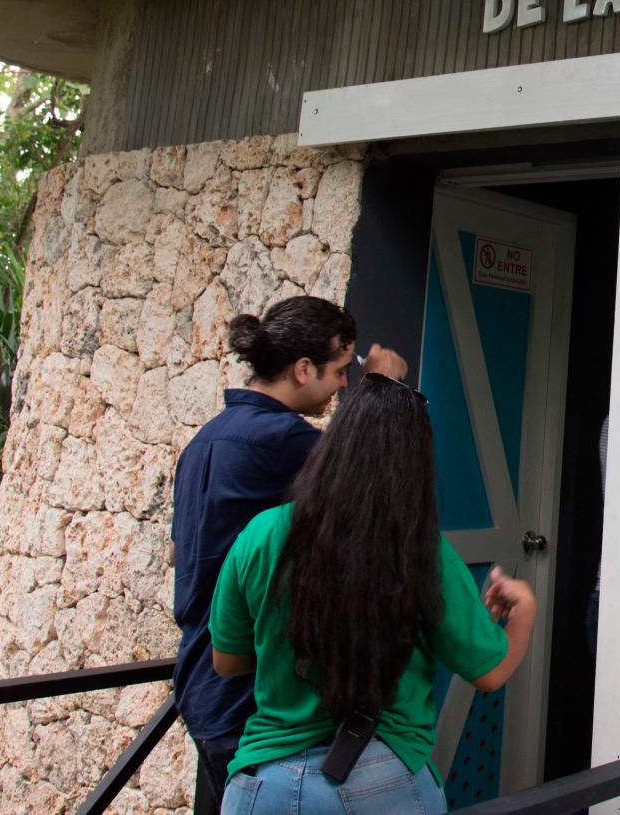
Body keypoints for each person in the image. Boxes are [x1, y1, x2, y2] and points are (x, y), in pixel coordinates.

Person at [208, 369, 538, 814]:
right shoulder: (423, 551)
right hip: (381, 784)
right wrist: (525, 611)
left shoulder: (261, 534)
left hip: (262, 786)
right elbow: (490, 671)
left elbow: (227, 661)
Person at [172, 295, 404, 815]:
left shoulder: (203, 443)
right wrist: (381, 390)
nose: (344, 385)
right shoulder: (282, 441)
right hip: (248, 690)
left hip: (203, 677)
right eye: (341, 371)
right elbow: (375, 475)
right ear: (303, 369)